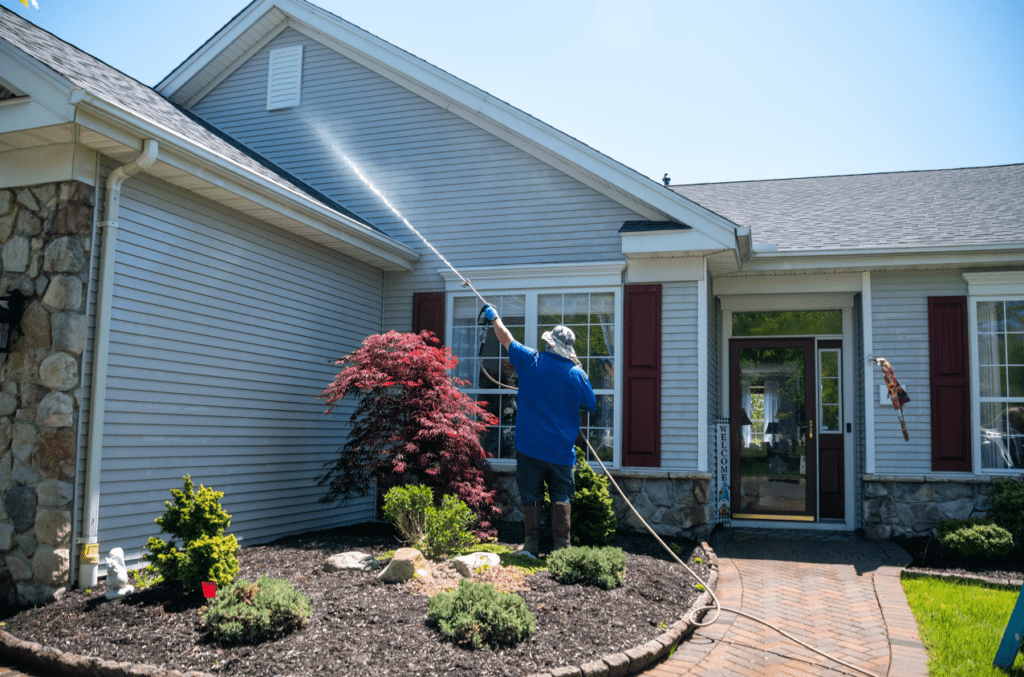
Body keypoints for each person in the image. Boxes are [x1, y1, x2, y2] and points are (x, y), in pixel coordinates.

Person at [483, 305, 597, 555]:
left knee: (531, 495)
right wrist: (576, 370)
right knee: (561, 496)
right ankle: (562, 549)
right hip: (561, 452)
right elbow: (591, 404)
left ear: (549, 343)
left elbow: (505, 338)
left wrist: (495, 318)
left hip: (529, 448)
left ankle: (531, 546)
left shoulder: (530, 359)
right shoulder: (577, 374)